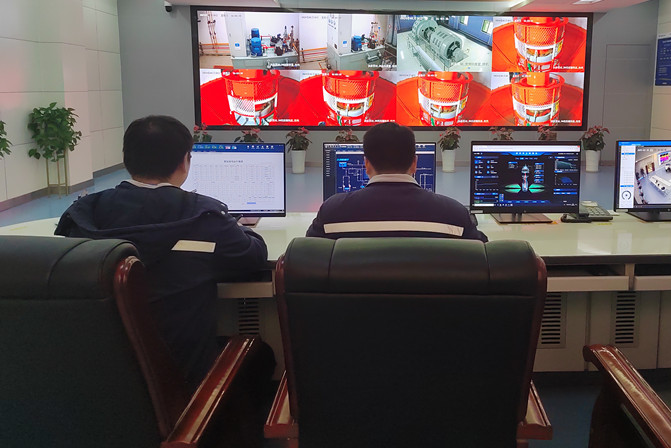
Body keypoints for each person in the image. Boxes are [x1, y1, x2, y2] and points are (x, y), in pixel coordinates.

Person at [55, 115, 273, 389]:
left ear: (126, 159)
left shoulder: (83, 217)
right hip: (184, 382)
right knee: (263, 356)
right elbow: (253, 256)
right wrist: (238, 227)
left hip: (99, 383)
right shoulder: (205, 218)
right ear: (184, 161)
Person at [307, 122, 488, 241]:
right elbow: (483, 259)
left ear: (366, 164)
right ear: (415, 163)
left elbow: (308, 256)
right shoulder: (454, 215)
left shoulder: (332, 213)